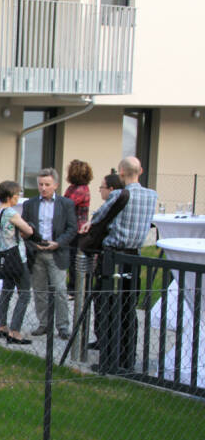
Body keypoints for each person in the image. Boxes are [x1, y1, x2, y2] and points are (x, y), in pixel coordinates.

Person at [81, 157, 158, 373]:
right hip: (134, 257)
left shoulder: (118, 194)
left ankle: (109, 358)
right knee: (128, 308)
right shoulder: (152, 196)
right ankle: (128, 358)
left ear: (121, 172)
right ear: (141, 171)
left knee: (107, 305)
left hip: (113, 256)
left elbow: (99, 218)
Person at [21, 168, 77, 340]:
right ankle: (44, 324)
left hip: (56, 252)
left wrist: (58, 243)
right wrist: (32, 243)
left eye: (47, 184)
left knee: (60, 290)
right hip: (37, 252)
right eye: (40, 184)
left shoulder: (65, 204)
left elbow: (72, 228)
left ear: (56, 185)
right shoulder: (30, 204)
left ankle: (63, 326)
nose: (43, 188)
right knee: (39, 290)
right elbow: (25, 228)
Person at [0, 181, 35, 344]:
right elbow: (29, 230)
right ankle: (15, 331)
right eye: (17, 195)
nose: (18, 198)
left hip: (4, 257)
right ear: (10, 197)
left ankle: (1, 325)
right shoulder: (11, 213)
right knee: (24, 293)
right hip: (17, 258)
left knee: (6, 291)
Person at [64, 160, 93, 295]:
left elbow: (67, 203)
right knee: (71, 258)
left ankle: (77, 288)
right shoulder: (73, 187)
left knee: (75, 258)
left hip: (78, 229)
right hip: (72, 227)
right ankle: (73, 286)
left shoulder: (81, 190)